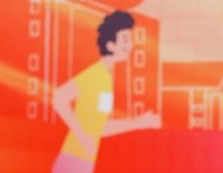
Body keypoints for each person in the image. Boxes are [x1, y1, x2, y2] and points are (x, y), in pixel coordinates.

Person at [51, 11, 160, 173]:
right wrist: (81, 134)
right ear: (110, 45)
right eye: (125, 40)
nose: (130, 45)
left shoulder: (106, 78)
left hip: (82, 161)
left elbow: (102, 127)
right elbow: (59, 98)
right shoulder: (96, 75)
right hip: (74, 161)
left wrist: (139, 123)